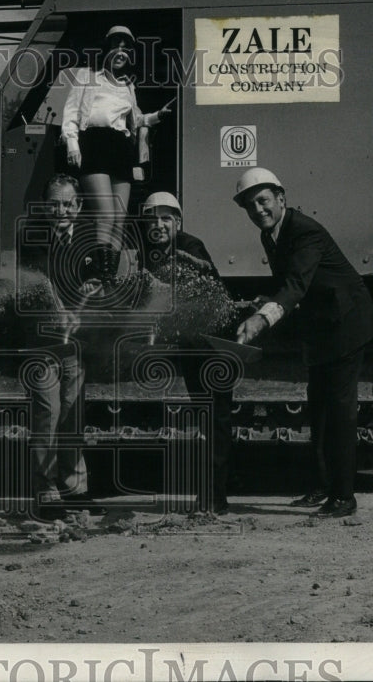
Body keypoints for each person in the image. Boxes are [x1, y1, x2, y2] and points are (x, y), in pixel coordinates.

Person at [233, 168, 373, 518]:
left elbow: (296, 284)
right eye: (251, 206)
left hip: (346, 325)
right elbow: (289, 285)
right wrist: (262, 303)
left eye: (263, 201)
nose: (258, 211)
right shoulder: (271, 235)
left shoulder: (305, 230)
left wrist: (262, 318)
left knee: (339, 412)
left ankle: (344, 498)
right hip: (321, 328)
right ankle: (322, 487)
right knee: (320, 410)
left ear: (281, 198)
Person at [138, 191, 234, 515]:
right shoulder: (152, 253)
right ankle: (209, 496)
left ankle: (215, 499)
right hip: (193, 348)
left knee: (215, 420)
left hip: (214, 348)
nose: (159, 225)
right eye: (152, 219)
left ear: (177, 221)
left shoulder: (190, 247)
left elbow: (184, 286)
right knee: (207, 419)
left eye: (165, 218)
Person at [18, 174, 105, 520]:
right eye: (54, 204)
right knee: (47, 416)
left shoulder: (89, 239)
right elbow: (40, 282)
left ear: (79, 205)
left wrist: (94, 288)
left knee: (71, 418)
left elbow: (98, 279)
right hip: (40, 346)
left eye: (68, 203)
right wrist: (61, 313)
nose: (61, 210)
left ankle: (75, 490)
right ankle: (46, 491)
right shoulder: (30, 237)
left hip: (75, 347)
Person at [61, 25, 173, 286]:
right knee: (106, 214)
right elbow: (71, 113)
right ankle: (101, 274)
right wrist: (73, 146)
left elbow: (134, 120)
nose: (121, 51)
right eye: (116, 46)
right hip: (96, 144)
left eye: (126, 48)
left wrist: (157, 116)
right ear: (107, 49)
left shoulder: (127, 86)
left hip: (120, 148)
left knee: (119, 217)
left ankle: (109, 277)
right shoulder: (88, 76)